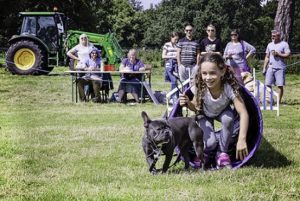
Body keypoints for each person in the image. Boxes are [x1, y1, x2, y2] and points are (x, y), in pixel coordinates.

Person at [179, 53, 249, 169]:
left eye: (212, 73)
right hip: (204, 114)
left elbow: (243, 113)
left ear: (222, 71)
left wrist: (242, 139)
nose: (208, 77)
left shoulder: (228, 87)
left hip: (222, 111)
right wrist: (187, 103)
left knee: (228, 118)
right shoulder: (199, 87)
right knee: (210, 143)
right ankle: (205, 153)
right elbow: (196, 108)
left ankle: (222, 153)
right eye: (204, 73)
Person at [263, 29, 291, 104]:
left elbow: (288, 54)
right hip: (270, 67)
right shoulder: (269, 44)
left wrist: (279, 54)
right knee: (267, 85)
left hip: (280, 68)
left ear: (279, 36)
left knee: (280, 85)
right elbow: (267, 56)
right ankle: (270, 100)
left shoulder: (284, 44)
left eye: (274, 36)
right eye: (272, 36)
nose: (272, 37)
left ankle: (279, 101)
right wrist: (264, 68)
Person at [162, 32, 179, 103]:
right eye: (175, 39)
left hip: (177, 65)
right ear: (171, 38)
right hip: (169, 65)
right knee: (174, 80)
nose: (176, 41)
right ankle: (173, 97)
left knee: (176, 82)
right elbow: (163, 56)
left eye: (177, 39)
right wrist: (173, 57)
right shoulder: (167, 45)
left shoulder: (178, 45)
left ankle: (175, 97)